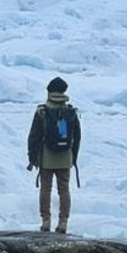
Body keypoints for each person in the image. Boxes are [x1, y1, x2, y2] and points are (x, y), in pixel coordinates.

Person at [27, 77, 81, 234]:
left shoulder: (42, 112)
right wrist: (73, 157)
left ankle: (46, 221)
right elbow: (77, 137)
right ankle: (63, 222)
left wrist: (33, 158)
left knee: (46, 189)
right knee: (64, 190)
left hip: (46, 158)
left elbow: (34, 137)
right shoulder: (70, 111)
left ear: (49, 91)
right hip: (65, 158)